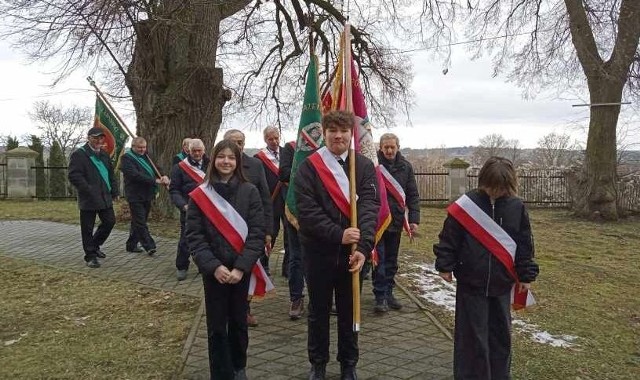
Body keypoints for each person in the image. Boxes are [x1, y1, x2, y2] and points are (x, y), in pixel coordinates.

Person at [433, 156, 539, 380]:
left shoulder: (516, 207)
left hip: (502, 283)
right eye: (491, 187)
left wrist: (525, 274)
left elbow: (524, 243)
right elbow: (449, 238)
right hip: (471, 282)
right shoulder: (467, 205)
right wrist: (445, 264)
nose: (494, 192)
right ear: (483, 182)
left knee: (500, 337)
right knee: (472, 338)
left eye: (500, 188)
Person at [294, 110, 379, 380]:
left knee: (349, 310)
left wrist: (364, 248)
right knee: (318, 311)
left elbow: (369, 208)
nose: (338, 136)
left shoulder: (363, 166)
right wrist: (338, 234)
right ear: (325, 134)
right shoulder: (309, 167)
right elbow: (307, 212)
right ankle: (317, 363)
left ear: (351, 134)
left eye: (344, 131)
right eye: (333, 131)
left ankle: (349, 363)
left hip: (353, 256)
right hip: (318, 252)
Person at [186, 139, 265, 380]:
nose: (226, 162)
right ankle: (220, 372)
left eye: (231, 157)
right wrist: (214, 266)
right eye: (222, 157)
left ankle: (239, 367)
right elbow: (195, 237)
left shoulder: (249, 191)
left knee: (239, 323)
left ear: (238, 161)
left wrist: (241, 268)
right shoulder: (201, 194)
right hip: (215, 272)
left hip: (241, 270)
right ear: (214, 160)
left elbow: (256, 233)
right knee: (217, 327)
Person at [224, 129, 273, 327]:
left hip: (250, 229)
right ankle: (228, 308)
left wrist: (268, 230)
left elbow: (265, 198)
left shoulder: (255, 165)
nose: (238, 146)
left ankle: (246, 308)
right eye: (234, 142)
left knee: (249, 270)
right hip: (225, 228)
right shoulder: (219, 164)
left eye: (241, 142)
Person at [372, 133, 420, 313]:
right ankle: (380, 296)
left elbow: (413, 195)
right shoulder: (373, 165)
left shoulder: (405, 167)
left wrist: (414, 219)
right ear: (381, 148)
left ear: (398, 147)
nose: (389, 150)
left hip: (397, 220)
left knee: (392, 260)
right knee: (380, 259)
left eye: (392, 147)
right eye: (386, 147)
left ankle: (389, 293)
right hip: (378, 220)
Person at [68, 127, 118, 268]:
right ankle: (90, 256)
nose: (98, 140)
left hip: (104, 196)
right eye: (95, 138)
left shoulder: (104, 154)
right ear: (88, 138)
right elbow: (74, 175)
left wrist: (114, 192)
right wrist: (88, 189)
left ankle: (95, 245)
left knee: (110, 222)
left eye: (101, 138)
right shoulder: (79, 154)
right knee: (87, 228)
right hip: (88, 198)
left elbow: (110, 174)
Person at [120, 137, 170, 256]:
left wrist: (163, 175)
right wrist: (155, 181)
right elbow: (135, 175)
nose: (142, 150)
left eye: (144, 147)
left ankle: (131, 245)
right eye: (139, 148)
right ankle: (149, 245)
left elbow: (156, 168)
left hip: (147, 194)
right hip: (135, 194)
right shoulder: (126, 158)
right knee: (140, 222)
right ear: (133, 147)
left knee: (138, 221)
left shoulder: (147, 156)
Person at [169, 138, 209, 281]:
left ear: (204, 151)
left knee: (208, 239)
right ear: (188, 151)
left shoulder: (211, 165)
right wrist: (183, 205)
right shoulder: (179, 167)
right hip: (189, 208)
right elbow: (174, 190)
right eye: (194, 151)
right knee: (186, 239)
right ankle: (182, 266)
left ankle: (204, 264)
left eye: (200, 151)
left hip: (209, 209)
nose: (197, 153)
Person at [254, 126, 289, 278]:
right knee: (270, 233)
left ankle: (288, 267)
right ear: (265, 140)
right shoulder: (259, 158)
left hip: (287, 199)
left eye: (276, 138)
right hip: (271, 200)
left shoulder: (287, 153)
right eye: (270, 139)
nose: (274, 141)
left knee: (290, 234)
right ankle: (264, 263)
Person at [279, 140, 305, 319]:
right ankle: (296, 298)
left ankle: (322, 297)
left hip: (322, 213)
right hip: (297, 211)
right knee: (296, 258)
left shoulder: (327, 147)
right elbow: (283, 173)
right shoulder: (291, 147)